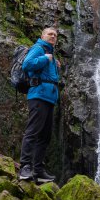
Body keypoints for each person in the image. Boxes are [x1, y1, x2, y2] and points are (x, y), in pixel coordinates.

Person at [18, 27, 60, 184]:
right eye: (50, 34)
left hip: (49, 98)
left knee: (45, 136)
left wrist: (53, 63)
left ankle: (39, 170)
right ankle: (25, 167)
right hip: (38, 96)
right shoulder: (38, 48)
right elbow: (27, 65)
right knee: (33, 131)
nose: (53, 36)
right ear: (42, 36)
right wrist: (45, 59)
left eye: (55, 35)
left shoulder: (50, 54)